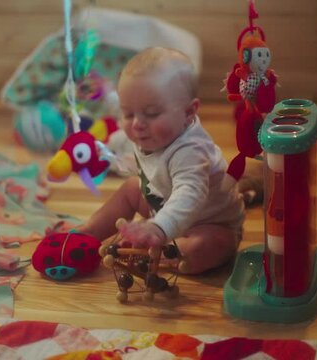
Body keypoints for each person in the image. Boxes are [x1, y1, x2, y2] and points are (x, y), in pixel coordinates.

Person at [78, 47, 244, 274]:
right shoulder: (149, 134)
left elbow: (190, 194)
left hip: (209, 223)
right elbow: (145, 167)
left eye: (152, 113)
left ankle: (151, 251)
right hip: (162, 204)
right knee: (130, 188)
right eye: (128, 114)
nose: (137, 123)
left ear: (188, 113)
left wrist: (158, 228)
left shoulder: (191, 150)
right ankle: (87, 233)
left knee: (199, 249)